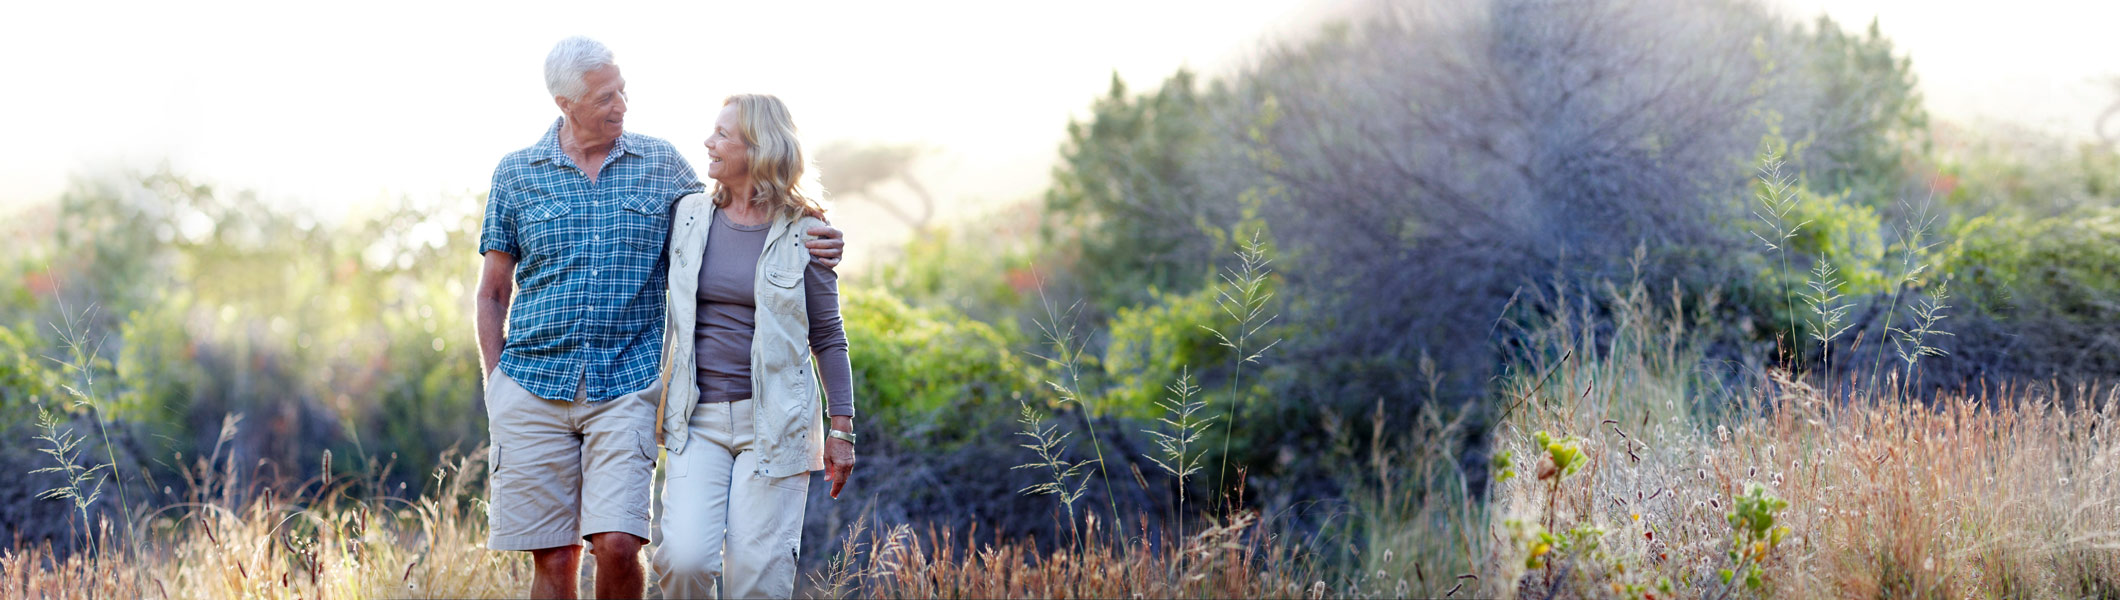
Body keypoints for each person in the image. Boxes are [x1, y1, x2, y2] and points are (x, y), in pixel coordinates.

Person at [475, 38, 844, 599]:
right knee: (555, 556)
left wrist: (819, 235)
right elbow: (493, 292)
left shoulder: (662, 166)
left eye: (622, 90)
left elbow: (739, 218)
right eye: (605, 97)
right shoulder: (516, 173)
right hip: (531, 384)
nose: (621, 104)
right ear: (565, 103)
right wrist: (496, 383)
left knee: (620, 545)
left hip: (627, 386)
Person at [649, 94, 856, 599]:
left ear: (759, 148)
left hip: (777, 424)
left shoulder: (807, 232)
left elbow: (828, 335)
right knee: (683, 560)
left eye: (722, 135)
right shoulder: (688, 215)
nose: (708, 142)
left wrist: (842, 428)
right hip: (696, 419)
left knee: (758, 578)